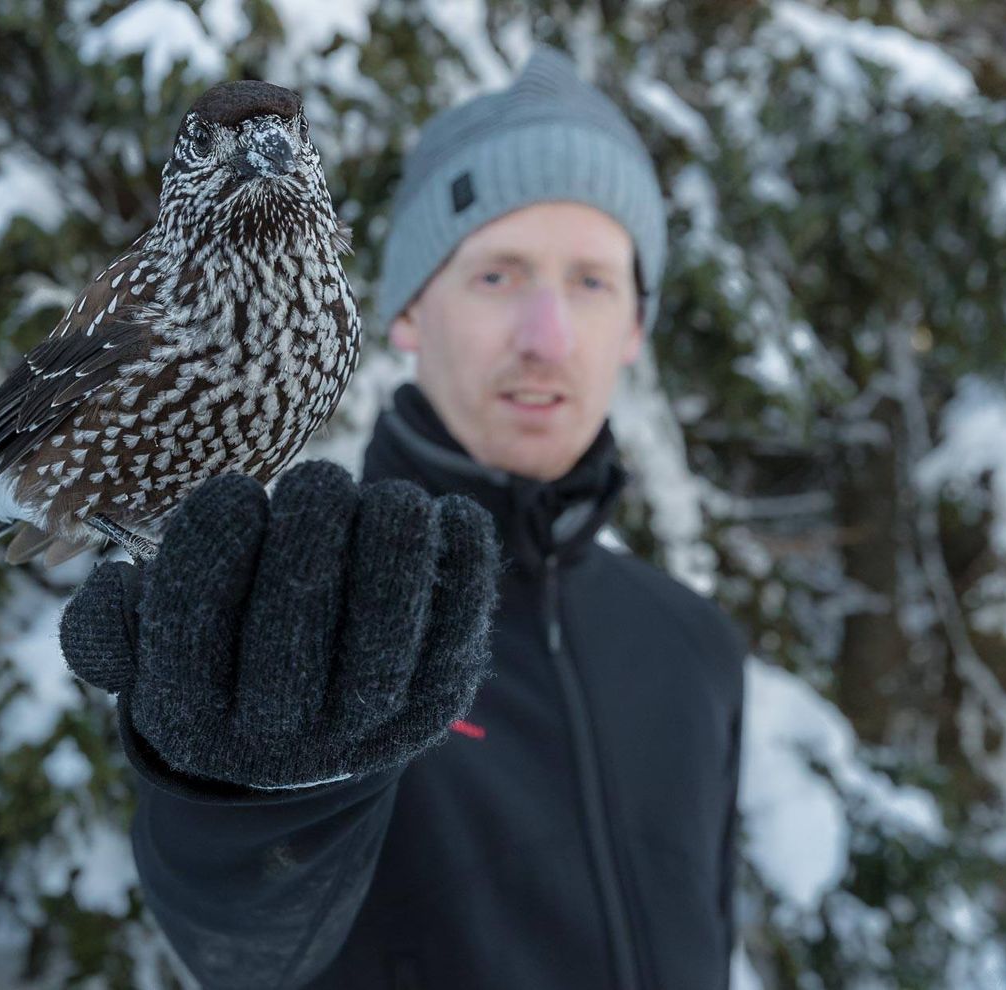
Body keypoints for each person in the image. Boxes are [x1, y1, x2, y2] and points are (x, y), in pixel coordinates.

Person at [59, 46, 749, 989]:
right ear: (409, 310)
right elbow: (248, 937)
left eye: (591, 281)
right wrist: (248, 791)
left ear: (636, 325)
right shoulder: (301, 591)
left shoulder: (693, 643)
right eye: (498, 275)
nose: (545, 338)